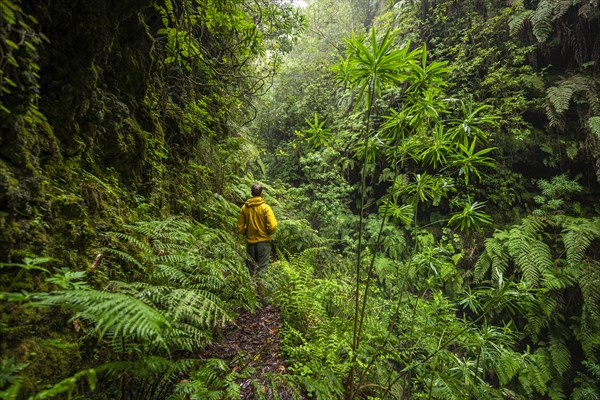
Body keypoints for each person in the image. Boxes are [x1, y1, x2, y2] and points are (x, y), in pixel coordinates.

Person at [237, 183, 277, 275]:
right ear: (261, 193)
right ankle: (260, 288)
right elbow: (273, 226)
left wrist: (246, 232)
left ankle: (249, 287)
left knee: (250, 268)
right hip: (263, 243)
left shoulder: (244, 208)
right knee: (262, 268)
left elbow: (240, 228)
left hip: (250, 243)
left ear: (251, 193)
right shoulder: (265, 208)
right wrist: (267, 232)